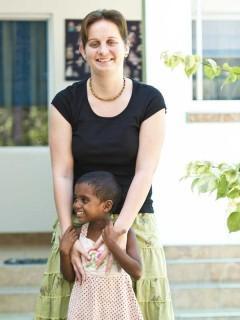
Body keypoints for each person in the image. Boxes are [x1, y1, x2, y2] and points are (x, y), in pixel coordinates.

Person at [34, 8, 174, 320]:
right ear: (82, 49)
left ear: (127, 45)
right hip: (80, 223)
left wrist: (119, 232)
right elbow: (62, 172)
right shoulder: (65, 103)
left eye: (111, 41)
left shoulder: (149, 101)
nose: (103, 50)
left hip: (135, 221)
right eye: (94, 43)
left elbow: (145, 170)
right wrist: (71, 234)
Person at [60, 171, 143, 319]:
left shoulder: (125, 234)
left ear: (106, 206)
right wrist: (64, 252)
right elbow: (70, 277)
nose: (76, 205)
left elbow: (137, 272)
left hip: (117, 306)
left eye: (84, 200)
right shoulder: (78, 235)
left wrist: (112, 245)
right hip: (85, 307)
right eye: (76, 199)